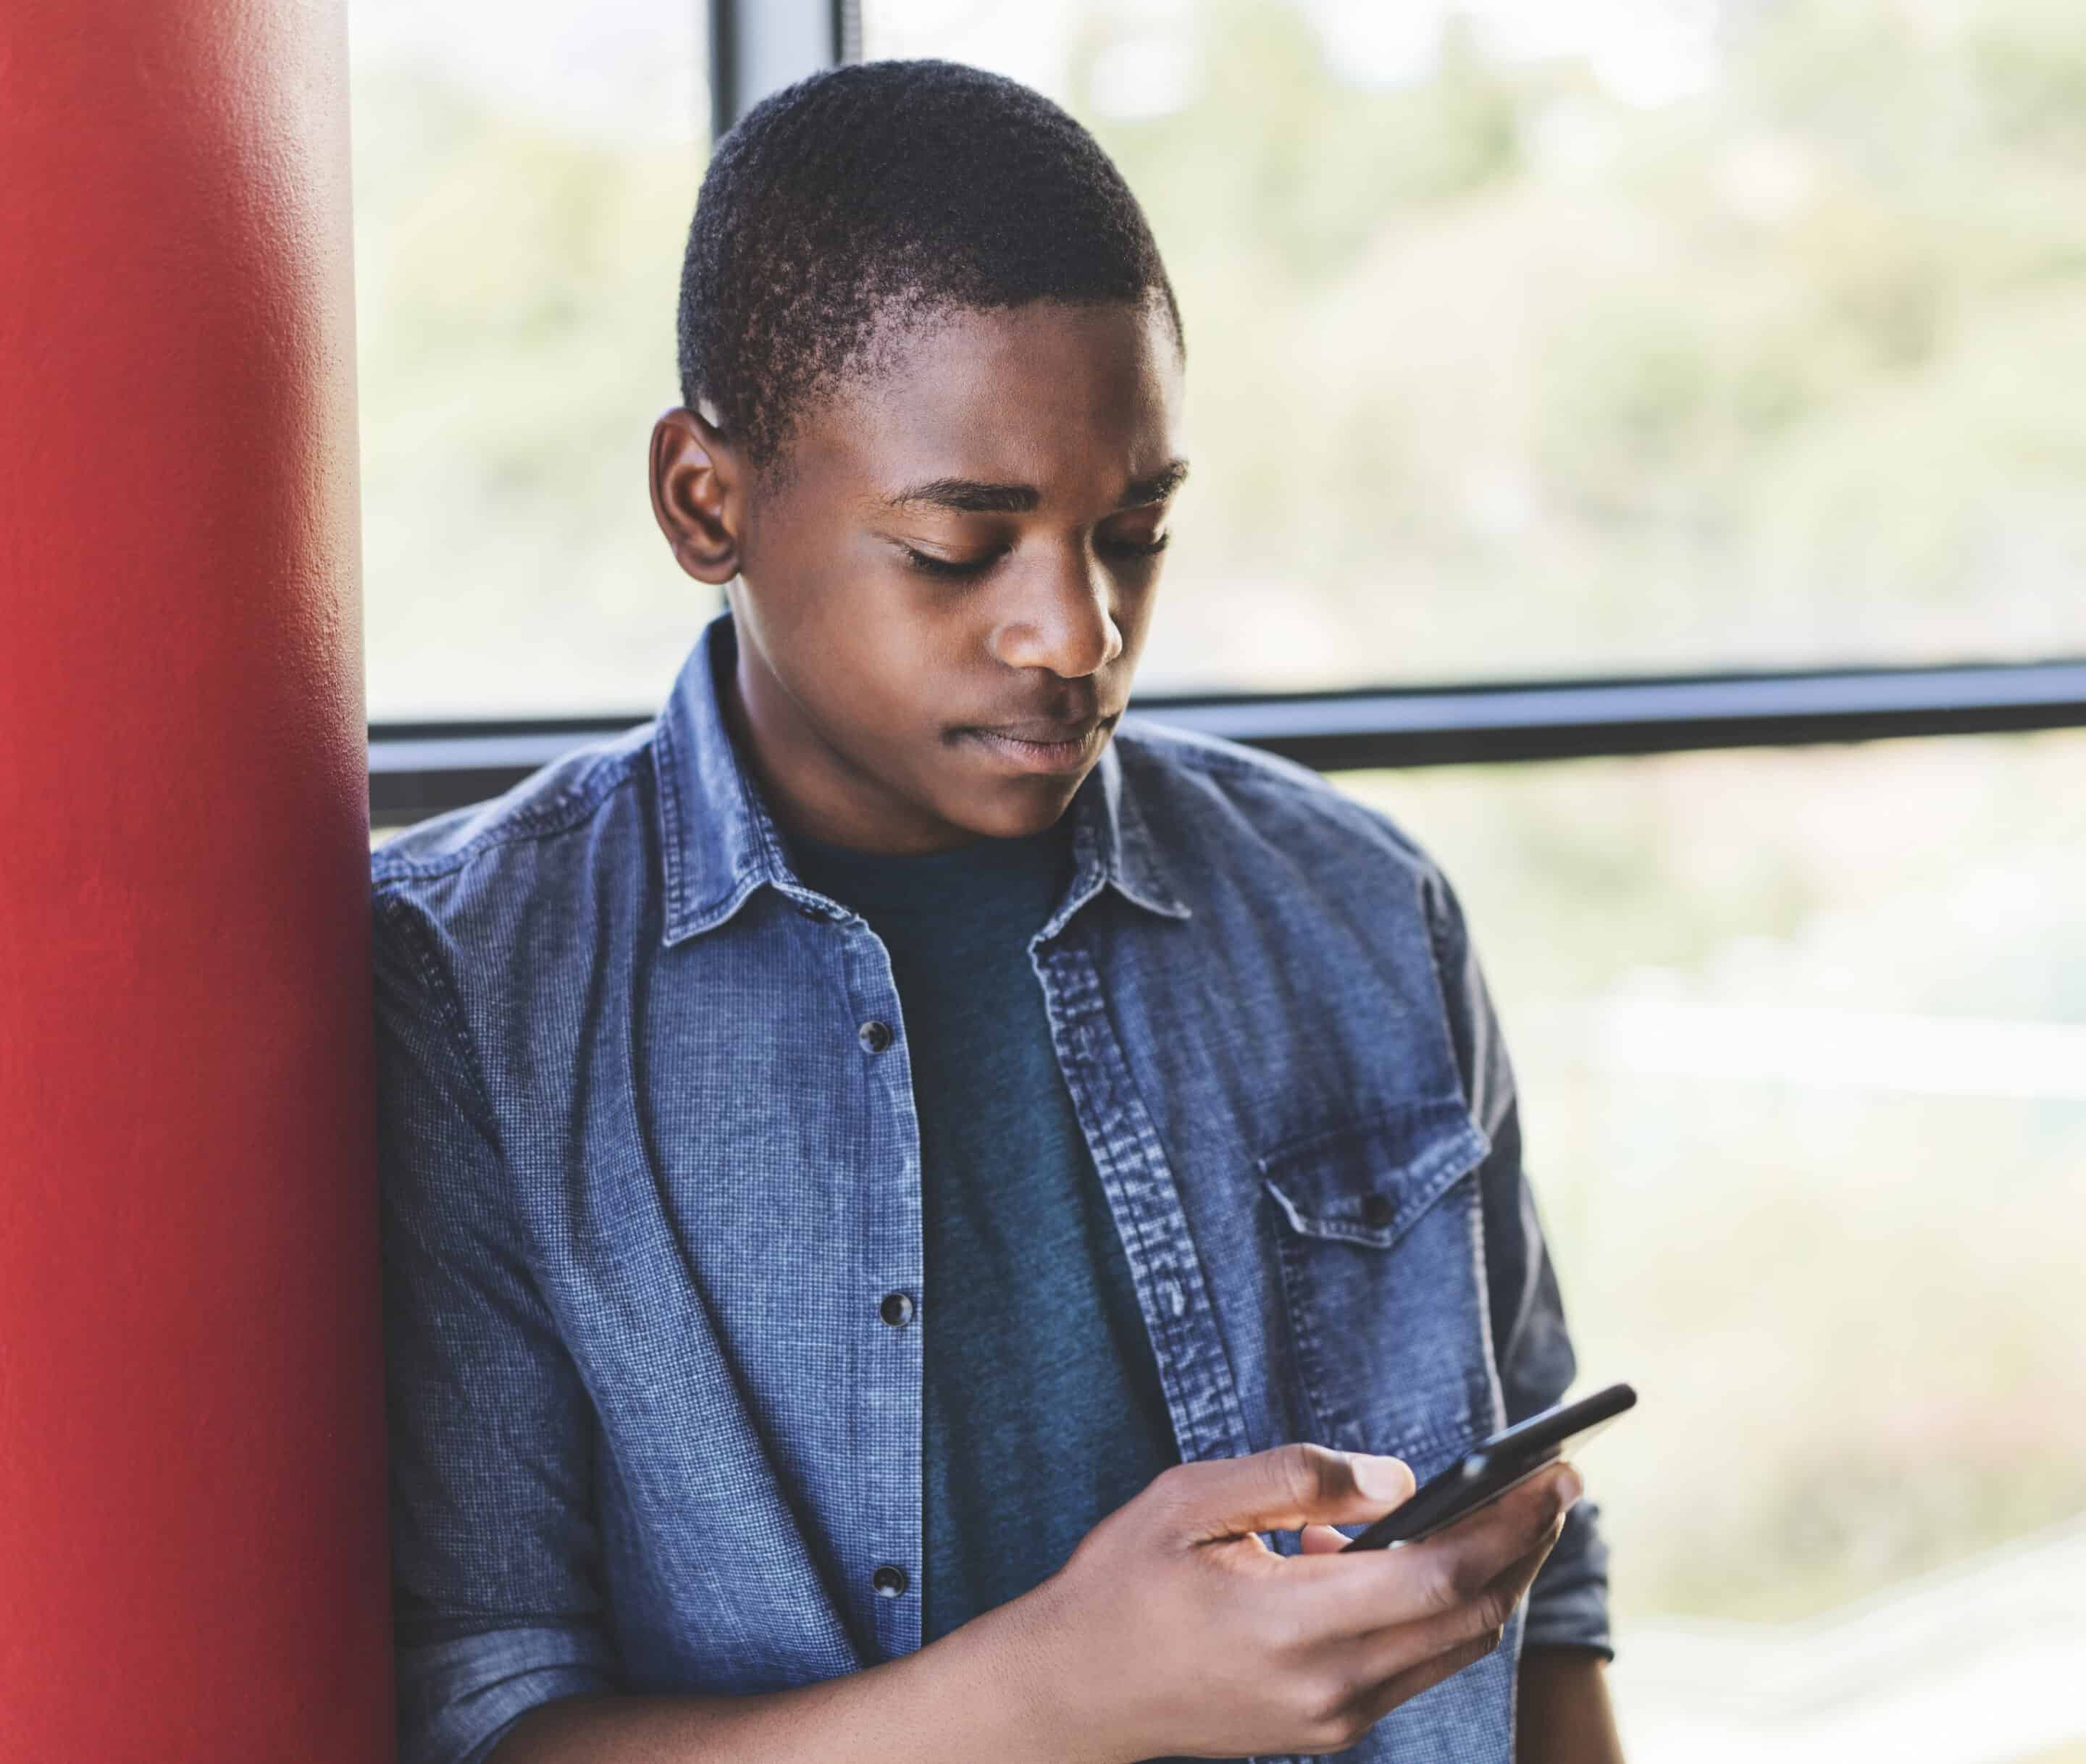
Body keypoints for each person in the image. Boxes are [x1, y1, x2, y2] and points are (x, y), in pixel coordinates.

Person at [372, 56, 1623, 1764]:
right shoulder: (465, 991)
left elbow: (1548, 1599)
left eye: (1136, 532)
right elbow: (478, 1724)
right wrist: (1058, 1696)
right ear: (703, 501)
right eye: (965, 547)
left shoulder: (1360, 911)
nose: (1077, 634)